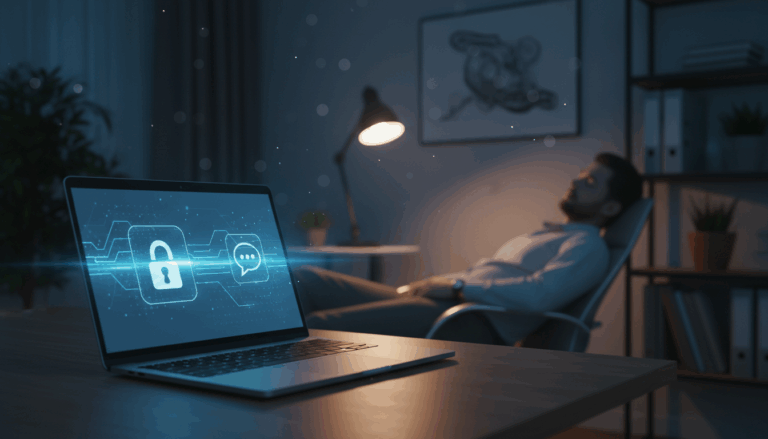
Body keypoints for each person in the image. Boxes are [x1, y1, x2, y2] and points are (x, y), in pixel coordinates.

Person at [292, 152, 643, 345]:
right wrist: (442, 282)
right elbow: (485, 277)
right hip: (445, 301)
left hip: (472, 321)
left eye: (592, 181)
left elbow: (539, 297)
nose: (577, 180)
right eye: (583, 173)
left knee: (320, 326)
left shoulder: (587, 247)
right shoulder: (546, 235)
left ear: (611, 208)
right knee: (306, 279)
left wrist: (458, 288)